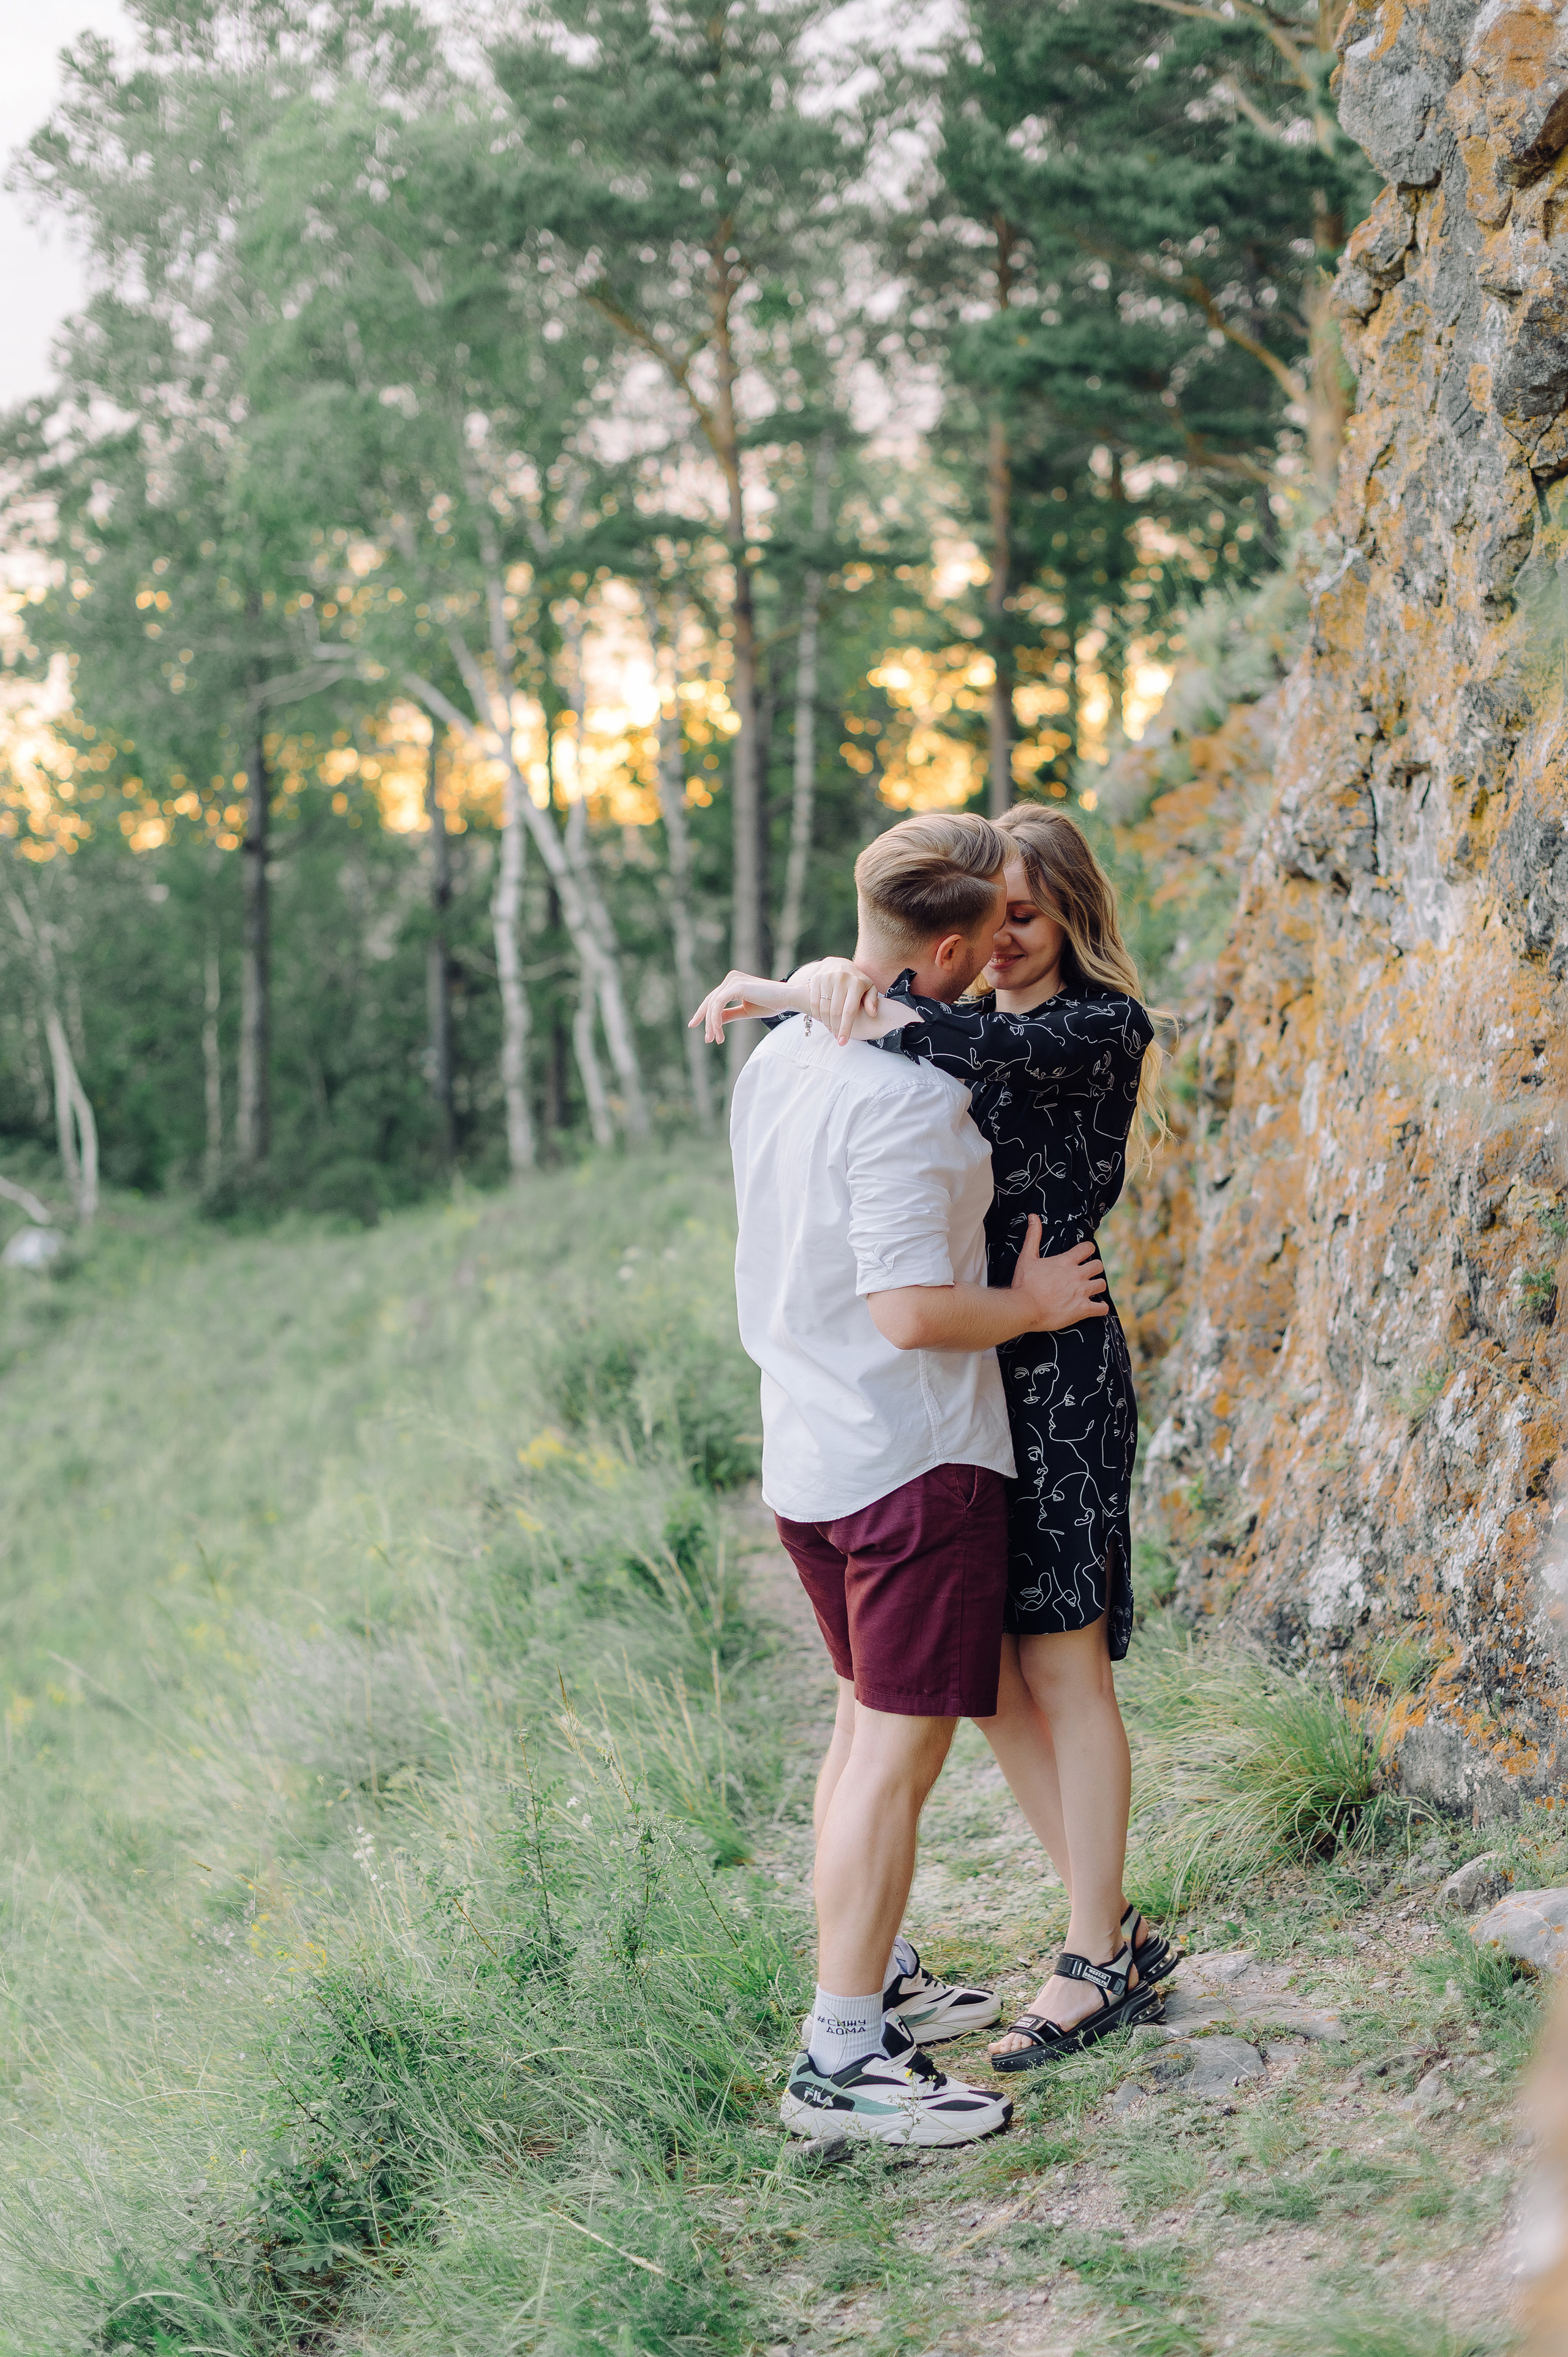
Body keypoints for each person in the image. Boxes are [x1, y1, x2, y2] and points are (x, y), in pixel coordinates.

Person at [694, 811, 1111, 2146]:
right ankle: (838, 2061)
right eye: (987, 932)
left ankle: (869, 1984)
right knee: (894, 1754)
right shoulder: (911, 1099)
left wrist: (793, 987)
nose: (999, 952)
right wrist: (1032, 1305)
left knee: (854, 1731)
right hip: (910, 1464)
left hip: (807, 1455)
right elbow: (914, 1311)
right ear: (944, 949)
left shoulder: (780, 1054)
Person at [796, 804, 1176, 2067]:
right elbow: (902, 1022)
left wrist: (823, 987)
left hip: (1056, 1364)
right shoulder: (954, 1021)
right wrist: (826, 984)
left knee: (1065, 1668)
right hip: (968, 1367)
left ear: (1069, 910)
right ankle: (1106, 1927)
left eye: (1025, 914)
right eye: (986, 918)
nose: (1002, 939)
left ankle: (1092, 1954)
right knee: (998, 1676)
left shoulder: (1098, 1026)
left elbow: (939, 1028)